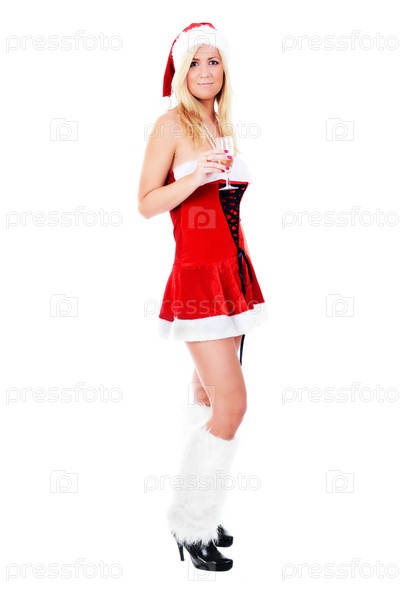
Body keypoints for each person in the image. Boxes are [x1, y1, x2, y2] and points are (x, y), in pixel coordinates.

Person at [138, 22, 267, 572]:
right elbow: (146, 202)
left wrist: (243, 274)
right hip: (196, 278)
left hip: (231, 273)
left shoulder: (221, 124)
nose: (205, 72)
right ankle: (189, 523)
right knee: (232, 404)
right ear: (180, 71)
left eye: (213, 61)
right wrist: (192, 177)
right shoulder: (171, 124)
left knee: (209, 398)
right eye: (195, 62)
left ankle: (202, 510)